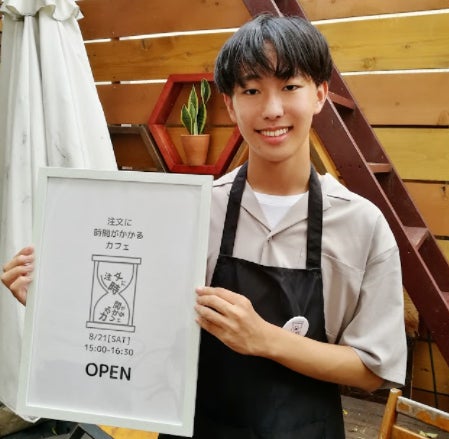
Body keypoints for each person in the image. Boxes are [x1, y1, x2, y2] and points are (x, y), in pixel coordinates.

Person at [2, 14, 407, 439]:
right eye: (251, 90)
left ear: (320, 94)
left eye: (290, 87)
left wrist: (265, 339)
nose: (272, 110)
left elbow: (371, 370)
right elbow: (144, 331)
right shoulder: (191, 211)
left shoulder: (361, 224)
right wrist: (56, 304)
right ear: (230, 105)